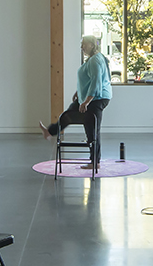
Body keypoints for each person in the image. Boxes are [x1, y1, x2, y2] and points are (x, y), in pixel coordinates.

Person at [39, 35, 112, 169]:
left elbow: (96, 82)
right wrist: (79, 92)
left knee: (92, 129)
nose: (82, 47)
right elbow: (88, 80)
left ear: (91, 45)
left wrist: (86, 102)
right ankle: (50, 131)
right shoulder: (93, 59)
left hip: (97, 98)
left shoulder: (95, 60)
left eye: (84, 44)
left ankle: (95, 162)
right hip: (88, 97)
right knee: (69, 113)